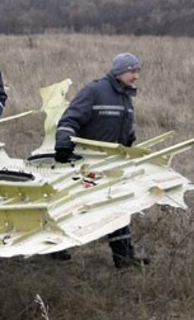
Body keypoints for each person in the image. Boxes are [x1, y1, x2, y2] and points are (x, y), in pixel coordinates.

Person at [52, 53, 149, 269]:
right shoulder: (94, 91)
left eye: (137, 72)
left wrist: (128, 142)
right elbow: (70, 119)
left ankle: (124, 259)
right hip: (87, 163)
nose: (136, 76)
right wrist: (63, 145)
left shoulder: (126, 97)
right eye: (132, 71)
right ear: (120, 72)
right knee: (75, 207)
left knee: (117, 207)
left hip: (111, 163)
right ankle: (54, 246)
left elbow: (121, 127)